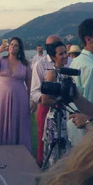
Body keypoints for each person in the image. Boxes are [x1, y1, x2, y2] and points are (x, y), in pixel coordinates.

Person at [0, 37, 33, 152]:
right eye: (11, 44)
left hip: (19, 99)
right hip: (0, 97)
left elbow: (30, 84)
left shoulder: (25, 64)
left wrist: (31, 100)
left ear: (20, 48)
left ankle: (17, 152)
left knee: (17, 124)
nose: (12, 47)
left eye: (15, 45)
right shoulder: (1, 60)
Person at [65, 18, 93, 146]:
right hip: (84, 127)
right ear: (88, 39)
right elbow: (90, 105)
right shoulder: (92, 67)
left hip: (71, 122)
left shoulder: (76, 61)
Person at [39, 41, 73, 167]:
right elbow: (45, 99)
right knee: (54, 157)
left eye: (65, 52)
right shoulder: (52, 74)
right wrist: (61, 103)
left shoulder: (67, 72)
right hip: (55, 119)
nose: (65, 56)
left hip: (65, 119)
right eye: (61, 54)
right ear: (53, 57)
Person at [30, 35, 63, 164]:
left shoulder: (68, 62)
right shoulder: (41, 64)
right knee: (43, 141)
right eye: (51, 45)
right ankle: (42, 167)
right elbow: (34, 92)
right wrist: (44, 99)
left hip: (64, 109)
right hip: (46, 108)